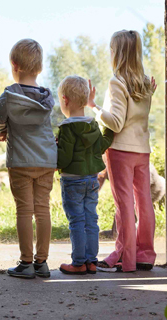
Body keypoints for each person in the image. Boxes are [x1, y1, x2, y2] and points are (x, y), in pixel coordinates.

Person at [88, 30, 158, 273]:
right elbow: (138, 114)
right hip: (142, 150)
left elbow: (116, 123)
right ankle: (145, 255)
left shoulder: (117, 82)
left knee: (124, 204)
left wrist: (94, 107)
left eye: (111, 49)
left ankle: (125, 259)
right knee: (144, 202)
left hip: (121, 151)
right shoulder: (145, 82)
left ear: (117, 53)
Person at [0, 39, 57, 279]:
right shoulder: (46, 98)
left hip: (21, 161)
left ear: (14, 64)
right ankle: (42, 263)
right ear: (39, 68)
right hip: (46, 161)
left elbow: (0, 118)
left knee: (24, 210)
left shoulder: (10, 96)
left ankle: (26, 263)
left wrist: (2, 129)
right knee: (42, 209)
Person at [56, 75, 113, 275]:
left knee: (77, 222)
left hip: (72, 182)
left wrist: (53, 152)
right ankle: (91, 261)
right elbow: (102, 146)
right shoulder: (93, 126)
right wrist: (111, 131)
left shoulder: (67, 128)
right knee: (91, 220)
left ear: (65, 100)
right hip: (92, 180)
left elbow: (63, 160)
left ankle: (78, 262)